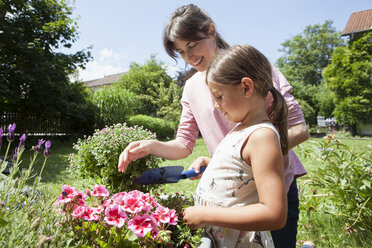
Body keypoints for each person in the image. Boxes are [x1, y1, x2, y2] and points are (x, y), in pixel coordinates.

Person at [118, 4, 310, 247]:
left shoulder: (250, 65)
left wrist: (244, 160)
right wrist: (151, 146)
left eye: (192, 46)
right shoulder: (191, 87)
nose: (189, 58)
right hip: (228, 200)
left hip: (274, 186)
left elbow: (299, 130)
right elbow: (184, 143)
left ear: (211, 31)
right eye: (181, 52)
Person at [183, 43, 288, 247]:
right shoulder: (242, 128)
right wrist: (211, 163)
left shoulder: (261, 136)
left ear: (246, 87)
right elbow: (243, 169)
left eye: (219, 96)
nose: (216, 105)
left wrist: (207, 214)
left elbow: (274, 214)